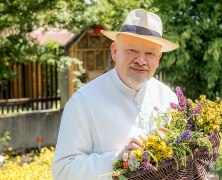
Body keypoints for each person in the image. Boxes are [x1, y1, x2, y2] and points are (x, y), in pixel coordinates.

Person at [52, 9, 179, 180]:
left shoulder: (169, 98)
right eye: (132, 50)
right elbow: (63, 171)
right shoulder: (83, 102)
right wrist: (117, 160)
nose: (141, 60)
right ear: (114, 51)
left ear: (159, 58)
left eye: (150, 53)